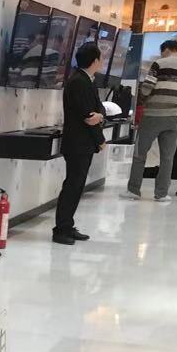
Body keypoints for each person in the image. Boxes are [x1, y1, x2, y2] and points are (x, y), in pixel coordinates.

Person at [124, 39, 177, 202]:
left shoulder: (159, 63)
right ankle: (162, 193)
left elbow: (147, 87)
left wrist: (143, 98)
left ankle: (134, 190)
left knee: (140, 154)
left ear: (165, 50)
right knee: (167, 157)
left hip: (153, 115)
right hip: (175, 117)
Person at [54, 41, 107, 245]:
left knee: (76, 186)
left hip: (83, 143)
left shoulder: (87, 80)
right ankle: (61, 229)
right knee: (72, 186)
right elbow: (89, 116)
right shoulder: (78, 81)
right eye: (100, 58)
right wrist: (100, 139)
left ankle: (67, 225)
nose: (102, 61)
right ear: (94, 60)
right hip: (77, 143)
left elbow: (98, 110)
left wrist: (99, 116)